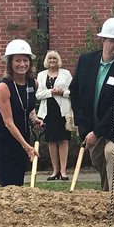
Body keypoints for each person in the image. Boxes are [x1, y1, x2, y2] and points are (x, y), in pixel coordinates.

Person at [70, 18, 114, 192]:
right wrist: (86, 128)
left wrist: (97, 132)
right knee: (98, 159)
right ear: (103, 40)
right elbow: (75, 93)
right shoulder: (86, 61)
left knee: (112, 152)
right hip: (93, 125)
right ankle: (107, 196)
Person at [0, 40, 43, 187]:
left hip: (23, 138)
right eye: (17, 60)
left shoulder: (34, 83)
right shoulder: (3, 87)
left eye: (25, 60)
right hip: (4, 141)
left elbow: (28, 106)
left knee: (18, 181)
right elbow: (8, 122)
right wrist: (27, 147)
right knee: (8, 184)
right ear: (10, 63)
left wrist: (34, 118)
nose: (22, 64)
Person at [36, 51, 73, 181]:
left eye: (54, 58)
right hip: (48, 112)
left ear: (58, 60)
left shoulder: (66, 74)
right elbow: (38, 95)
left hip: (62, 111)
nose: (52, 60)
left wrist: (63, 92)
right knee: (51, 140)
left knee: (63, 140)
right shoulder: (41, 75)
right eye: (50, 58)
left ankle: (63, 171)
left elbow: (73, 92)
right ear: (47, 60)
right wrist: (51, 92)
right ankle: (55, 170)